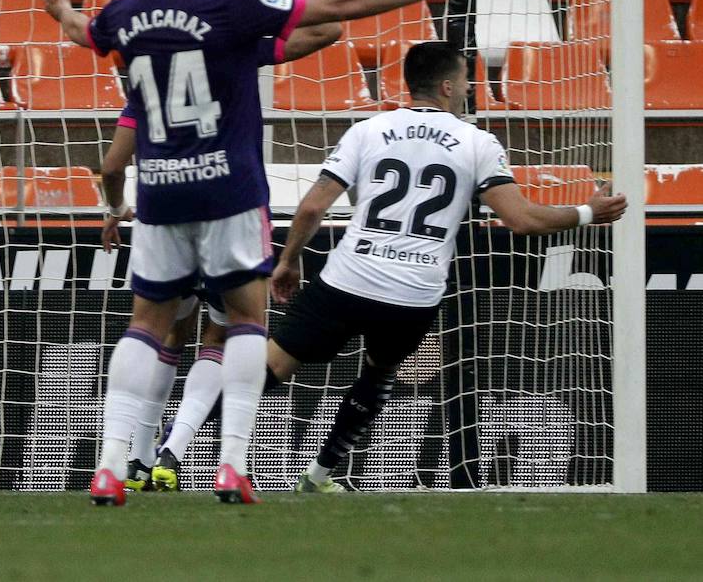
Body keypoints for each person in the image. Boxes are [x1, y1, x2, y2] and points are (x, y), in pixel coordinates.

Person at [43, 0, 493, 505]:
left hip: (162, 197)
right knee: (245, 322)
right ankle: (230, 465)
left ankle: (112, 464)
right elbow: (339, 7)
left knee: (146, 327)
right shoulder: (231, 11)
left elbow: (76, 31)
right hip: (228, 192)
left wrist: (60, 6)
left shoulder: (120, 15)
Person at [267, 42, 627, 493]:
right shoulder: (477, 142)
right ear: (446, 85)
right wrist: (588, 212)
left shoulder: (369, 130)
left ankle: (181, 451)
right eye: (466, 81)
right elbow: (520, 219)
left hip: (350, 279)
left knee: (271, 366)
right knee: (378, 374)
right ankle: (319, 477)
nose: (470, 89)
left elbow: (310, 209)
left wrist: (289, 260)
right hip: (414, 294)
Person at [100, 0, 342, 493]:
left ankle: (133, 459)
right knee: (233, 329)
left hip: (163, 202)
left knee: (159, 331)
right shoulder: (241, 48)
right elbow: (329, 23)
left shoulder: (145, 63)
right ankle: (187, 454)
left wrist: (115, 208)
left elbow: (112, 163)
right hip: (230, 199)